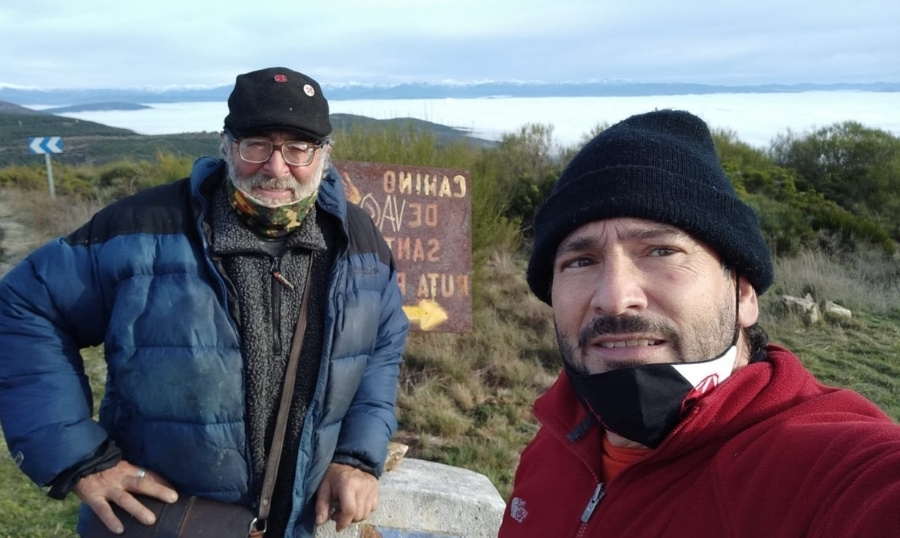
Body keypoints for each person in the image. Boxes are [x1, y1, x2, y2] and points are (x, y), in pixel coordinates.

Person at [0, 67, 409, 537]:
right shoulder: (142, 229)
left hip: (298, 524)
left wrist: (357, 456)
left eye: (298, 148)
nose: (277, 168)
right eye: (257, 144)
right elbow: (25, 306)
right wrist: (81, 459)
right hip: (163, 524)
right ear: (227, 144)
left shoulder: (356, 239)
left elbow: (383, 341)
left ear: (324, 155)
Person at [498, 109, 900, 537]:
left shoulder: (829, 472)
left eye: (660, 252)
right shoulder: (558, 439)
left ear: (743, 293)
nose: (615, 298)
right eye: (580, 261)